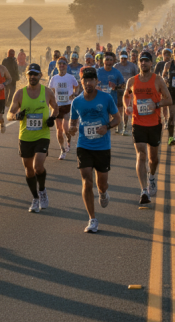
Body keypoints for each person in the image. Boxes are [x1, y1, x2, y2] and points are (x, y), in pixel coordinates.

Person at [68, 67, 120, 233]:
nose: (88, 83)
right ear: (81, 82)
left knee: (101, 183)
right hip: (84, 145)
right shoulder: (77, 102)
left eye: (92, 80)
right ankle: (92, 219)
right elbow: (73, 122)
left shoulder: (106, 98)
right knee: (86, 181)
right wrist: (71, 129)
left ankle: (103, 192)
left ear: (97, 81)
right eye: (85, 80)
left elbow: (117, 118)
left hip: (102, 146)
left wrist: (108, 127)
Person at [123, 51, 173, 205]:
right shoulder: (132, 81)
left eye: (146, 61)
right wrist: (127, 107)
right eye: (141, 61)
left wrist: (156, 104)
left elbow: (169, 99)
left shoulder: (158, 80)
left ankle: (152, 176)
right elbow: (126, 95)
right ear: (138, 63)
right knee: (141, 155)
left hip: (154, 123)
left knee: (153, 159)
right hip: (138, 123)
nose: (143, 63)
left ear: (151, 63)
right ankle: (144, 190)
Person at [8, 63, 59, 212]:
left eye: (35, 74)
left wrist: (52, 117)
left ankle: (42, 191)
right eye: (30, 74)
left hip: (42, 134)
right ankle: (35, 198)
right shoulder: (20, 93)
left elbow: (55, 107)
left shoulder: (47, 92)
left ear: (40, 76)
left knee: (38, 166)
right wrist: (16, 116)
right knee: (29, 170)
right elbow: (9, 114)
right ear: (26, 75)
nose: (32, 77)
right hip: (25, 136)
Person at [49, 57, 80, 158]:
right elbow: (50, 91)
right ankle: (62, 150)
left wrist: (75, 93)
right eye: (59, 63)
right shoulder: (54, 78)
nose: (61, 65)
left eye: (64, 63)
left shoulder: (70, 77)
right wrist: (51, 101)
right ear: (57, 66)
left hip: (68, 105)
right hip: (57, 106)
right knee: (59, 131)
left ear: (67, 66)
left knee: (66, 129)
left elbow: (77, 86)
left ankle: (68, 141)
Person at [114, 51, 139, 135]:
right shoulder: (116, 66)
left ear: (127, 58)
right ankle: (119, 124)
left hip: (129, 90)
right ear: (119, 58)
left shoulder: (132, 66)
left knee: (126, 108)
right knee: (118, 108)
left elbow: (137, 76)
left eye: (125, 58)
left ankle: (125, 126)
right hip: (118, 90)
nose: (123, 60)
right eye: (122, 58)